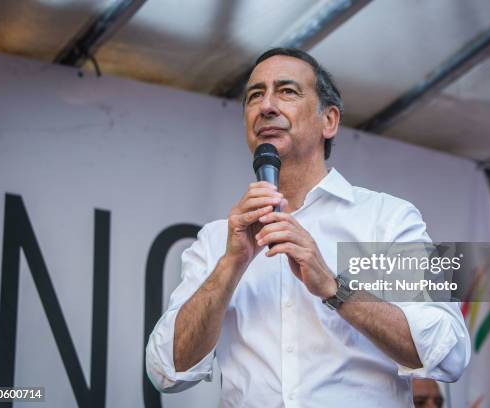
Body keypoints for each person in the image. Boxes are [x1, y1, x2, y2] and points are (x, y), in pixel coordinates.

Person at [145, 47, 470, 407]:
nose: (266, 105)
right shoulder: (215, 240)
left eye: (287, 91)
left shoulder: (384, 219)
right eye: (255, 95)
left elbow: (449, 350)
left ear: (329, 121)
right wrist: (231, 264)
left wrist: (335, 288)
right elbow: (165, 371)